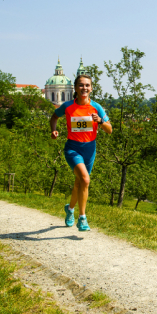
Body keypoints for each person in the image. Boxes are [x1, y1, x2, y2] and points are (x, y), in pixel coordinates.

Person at [50, 74, 112, 231]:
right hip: (73, 148)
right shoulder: (68, 106)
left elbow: (109, 130)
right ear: (75, 88)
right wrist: (54, 130)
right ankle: (82, 218)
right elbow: (54, 118)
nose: (84, 88)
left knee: (79, 183)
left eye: (87, 85)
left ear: (91, 88)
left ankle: (70, 209)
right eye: (81, 85)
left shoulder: (96, 107)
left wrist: (100, 121)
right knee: (85, 180)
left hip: (90, 149)